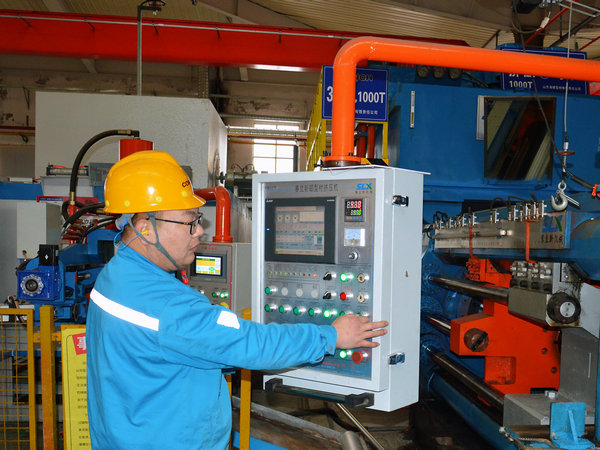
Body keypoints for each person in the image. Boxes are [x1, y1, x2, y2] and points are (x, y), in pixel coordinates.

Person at [86, 150, 388, 449]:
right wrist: (331, 336)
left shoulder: (114, 276)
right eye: (189, 222)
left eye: (198, 219)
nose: (199, 231)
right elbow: (251, 344)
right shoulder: (168, 307)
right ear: (146, 229)